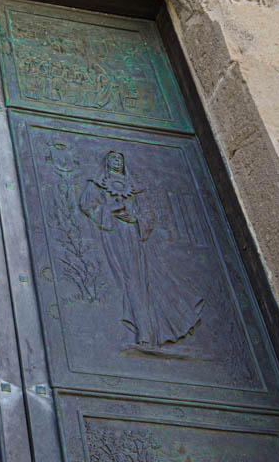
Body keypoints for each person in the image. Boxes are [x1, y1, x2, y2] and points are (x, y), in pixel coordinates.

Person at [79, 150, 203, 351]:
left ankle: (149, 333)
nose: (117, 161)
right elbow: (87, 205)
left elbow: (147, 213)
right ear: (106, 162)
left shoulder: (135, 188)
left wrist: (136, 220)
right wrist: (111, 210)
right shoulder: (96, 183)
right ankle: (141, 331)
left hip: (135, 236)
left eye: (120, 158)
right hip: (113, 235)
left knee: (141, 280)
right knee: (128, 280)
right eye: (113, 158)